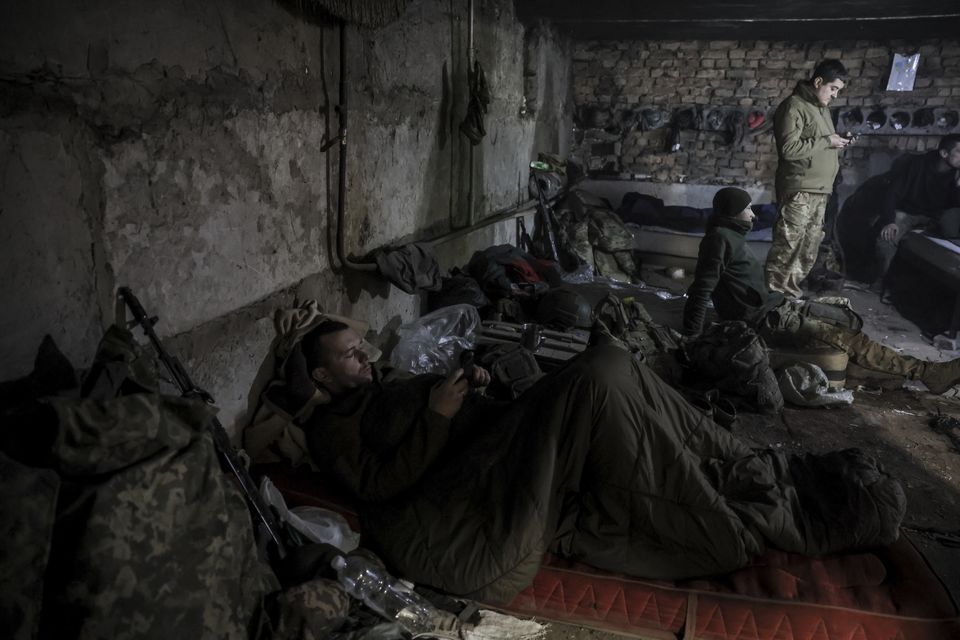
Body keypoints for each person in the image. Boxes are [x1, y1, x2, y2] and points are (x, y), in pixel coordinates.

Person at [296, 317, 904, 605]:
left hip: (492, 453)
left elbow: (452, 420)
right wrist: (439, 416)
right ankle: (741, 517)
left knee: (614, 364)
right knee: (598, 376)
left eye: (363, 345)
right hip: (466, 510)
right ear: (322, 376)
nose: (368, 357)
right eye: (351, 356)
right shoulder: (332, 428)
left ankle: (758, 477)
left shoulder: (384, 388)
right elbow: (381, 484)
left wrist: (471, 389)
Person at [684, 187, 960, 394]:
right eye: (748, 209)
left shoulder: (728, 235)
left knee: (845, 315)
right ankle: (926, 371)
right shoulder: (719, 240)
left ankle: (903, 368)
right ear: (734, 213)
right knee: (849, 339)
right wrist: (691, 338)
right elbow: (701, 289)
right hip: (765, 320)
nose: (753, 214)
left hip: (777, 307)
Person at [766, 59, 853, 298]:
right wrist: (828, 141)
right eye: (833, 88)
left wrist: (838, 142)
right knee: (788, 246)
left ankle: (789, 295)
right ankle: (773, 298)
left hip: (820, 190)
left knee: (808, 248)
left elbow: (817, 144)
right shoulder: (793, 106)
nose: (835, 95)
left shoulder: (822, 109)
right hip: (799, 189)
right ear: (818, 82)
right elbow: (789, 150)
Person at [836, 134, 960, 289]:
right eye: (959, 152)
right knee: (886, 238)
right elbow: (893, 193)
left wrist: (958, 186)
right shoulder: (917, 164)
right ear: (944, 154)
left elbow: (954, 208)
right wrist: (889, 221)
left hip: (935, 215)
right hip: (909, 212)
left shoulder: (956, 174)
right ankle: (879, 282)